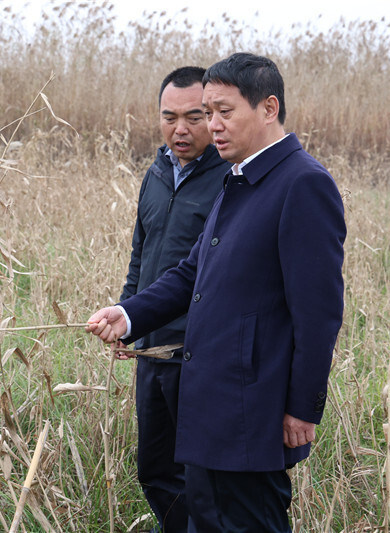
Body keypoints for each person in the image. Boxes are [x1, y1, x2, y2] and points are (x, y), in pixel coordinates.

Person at [87, 52, 346, 531]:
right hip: (209, 406)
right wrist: (130, 314)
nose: (213, 125)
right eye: (209, 112)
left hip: (251, 411)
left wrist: (302, 407)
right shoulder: (238, 177)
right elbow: (193, 273)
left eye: (224, 111)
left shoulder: (302, 184)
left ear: (268, 108)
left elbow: (319, 314)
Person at [119, 66, 228, 532]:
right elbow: (140, 252)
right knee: (155, 468)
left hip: (197, 353)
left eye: (194, 117)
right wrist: (128, 315)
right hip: (150, 350)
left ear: (213, 117)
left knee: (201, 476)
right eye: (169, 118)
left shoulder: (230, 179)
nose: (180, 129)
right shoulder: (157, 172)